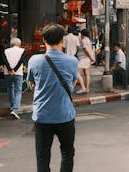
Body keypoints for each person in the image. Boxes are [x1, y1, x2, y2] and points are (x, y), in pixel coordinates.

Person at [27, 23, 78, 172]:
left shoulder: (34, 60)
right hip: (65, 116)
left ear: (44, 40)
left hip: (42, 116)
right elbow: (72, 84)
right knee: (67, 153)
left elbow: (32, 84)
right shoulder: (72, 61)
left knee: (42, 157)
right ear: (62, 40)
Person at [2, 38, 28, 119]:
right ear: (19, 44)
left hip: (7, 73)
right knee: (18, 91)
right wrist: (15, 70)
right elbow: (21, 61)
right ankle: (15, 109)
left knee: (10, 88)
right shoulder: (22, 50)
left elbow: (4, 61)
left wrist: (10, 69)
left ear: (11, 44)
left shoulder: (6, 51)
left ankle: (12, 105)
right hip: (18, 73)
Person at [76, 29, 95, 94]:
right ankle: (87, 89)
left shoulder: (84, 40)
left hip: (83, 58)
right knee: (87, 74)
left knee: (77, 73)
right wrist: (91, 58)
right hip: (87, 59)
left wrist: (91, 57)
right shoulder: (88, 40)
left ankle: (83, 88)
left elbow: (86, 50)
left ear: (82, 34)